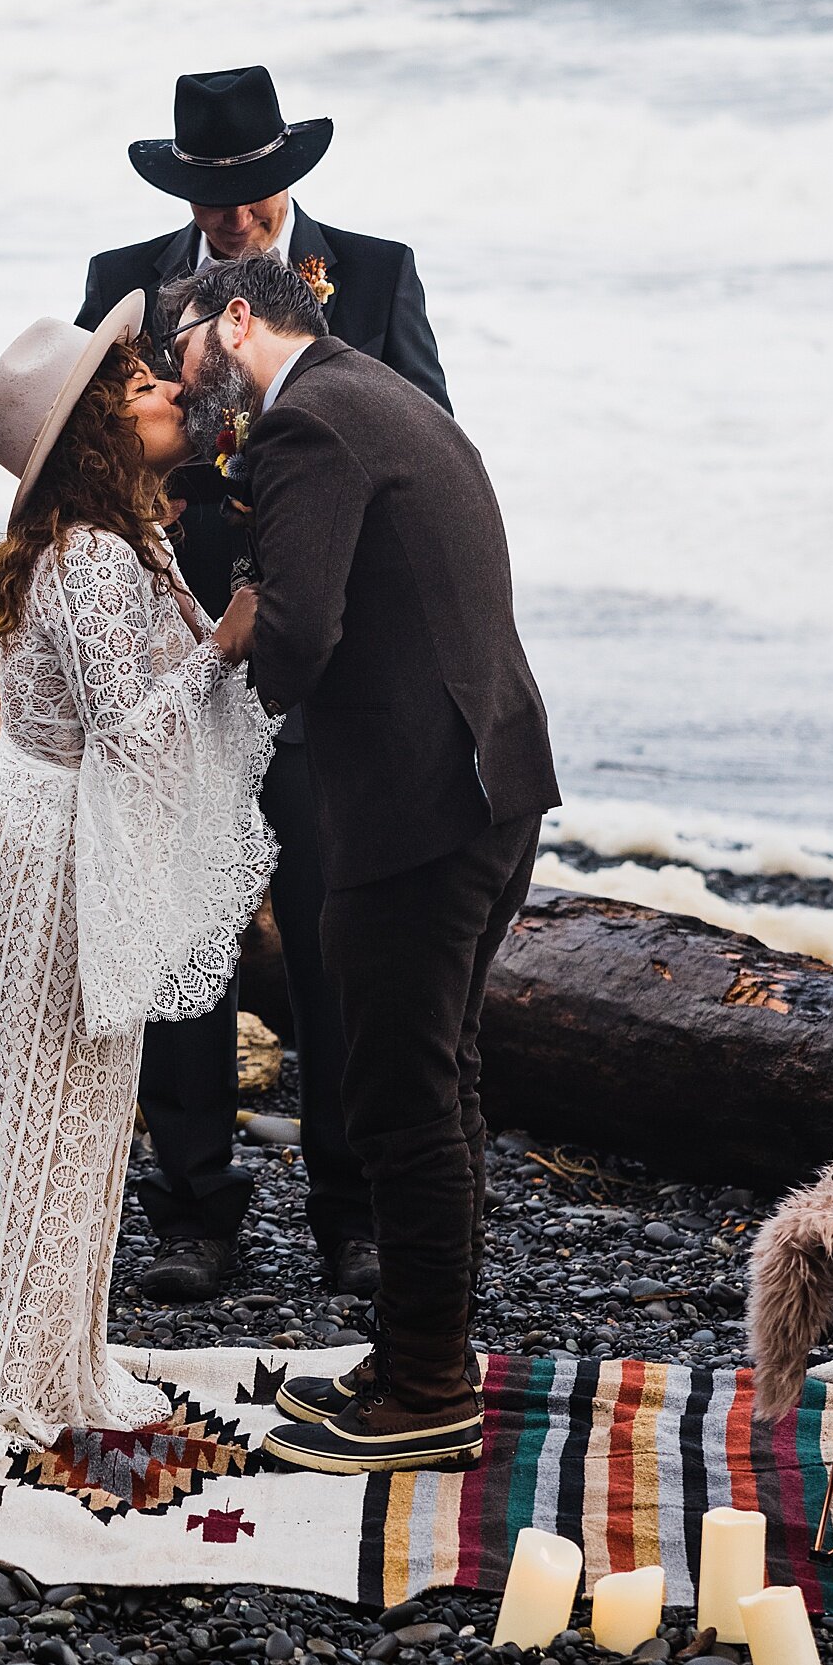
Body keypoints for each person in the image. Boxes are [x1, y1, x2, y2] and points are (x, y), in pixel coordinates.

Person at [0, 295, 276, 1479]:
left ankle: (40, 1342)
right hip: (47, 843)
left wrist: (212, 627)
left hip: (53, 826)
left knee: (74, 1094)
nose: (165, 392)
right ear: (98, 432)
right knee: (39, 1089)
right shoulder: (88, 557)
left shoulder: (127, 541)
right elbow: (128, 728)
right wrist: (224, 644)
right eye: (140, 387)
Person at [162, 253, 560, 1476]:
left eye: (185, 359)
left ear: (236, 318)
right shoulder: (379, 394)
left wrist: (229, 633)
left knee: (398, 1096)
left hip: (414, 807)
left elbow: (298, 633)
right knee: (442, 1077)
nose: (187, 397)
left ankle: (429, 1384)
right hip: (493, 779)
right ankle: (415, 1348)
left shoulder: (307, 430)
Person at [77, 63, 450, 1306]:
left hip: (323, 662)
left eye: (252, 194)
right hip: (177, 656)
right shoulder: (121, 281)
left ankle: (351, 1211)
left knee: (338, 927)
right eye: (209, 197)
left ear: (289, 178)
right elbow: (88, 458)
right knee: (187, 928)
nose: (232, 219)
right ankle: (193, 1210)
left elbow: (427, 446)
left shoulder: (380, 275)